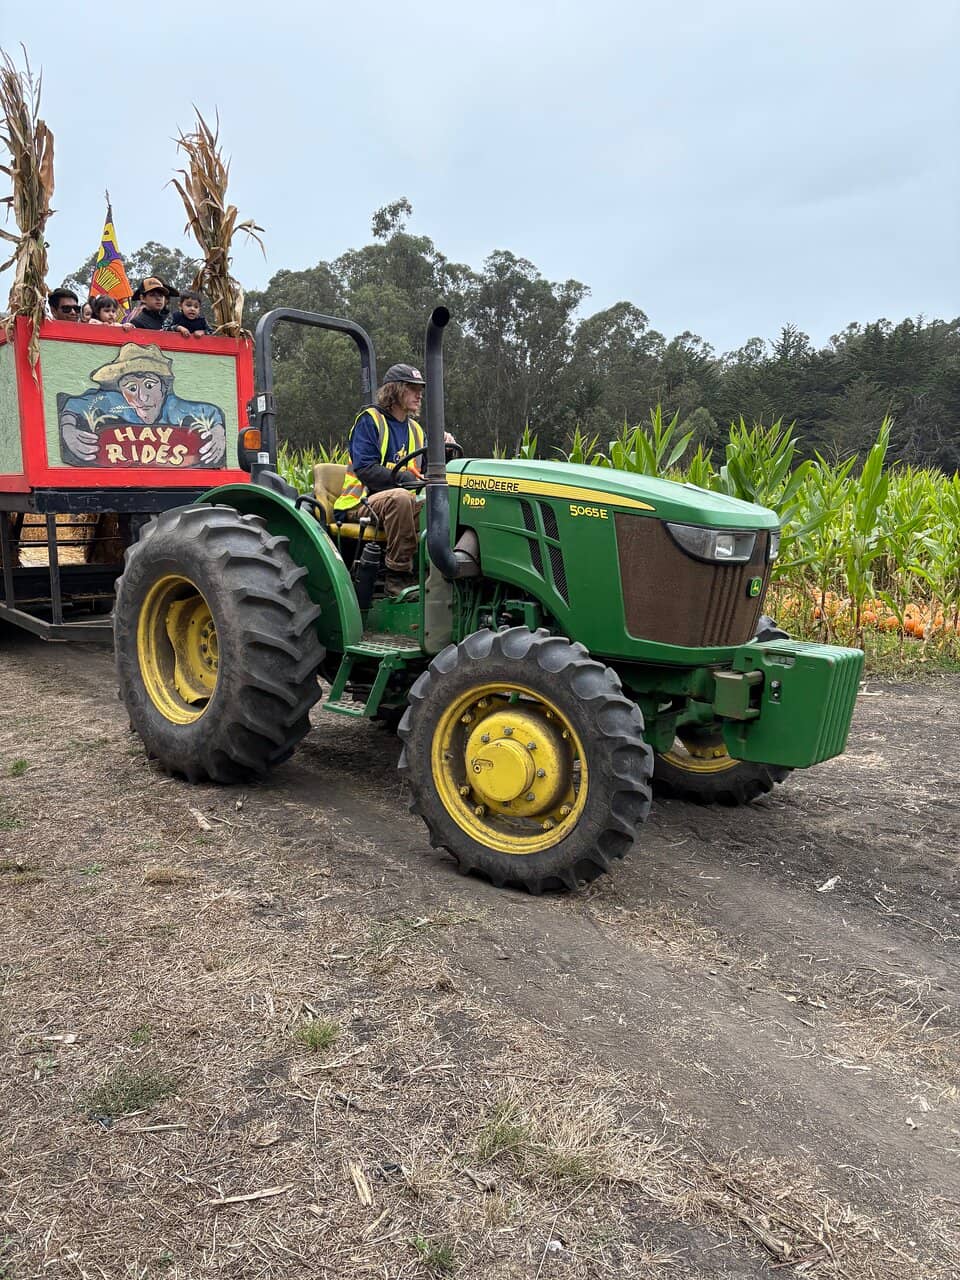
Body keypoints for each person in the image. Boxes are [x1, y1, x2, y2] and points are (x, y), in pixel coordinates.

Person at [334, 363, 429, 597]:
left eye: (421, 389)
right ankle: (397, 577)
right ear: (395, 390)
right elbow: (365, 469)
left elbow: (424, 475)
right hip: (361, 503)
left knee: (447, 504)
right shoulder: (370, 421)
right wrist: (402, 478)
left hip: (401, 503)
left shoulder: (416, 431)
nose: (419, 394)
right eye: (412, 388)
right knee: (400, 498)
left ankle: (435, 574)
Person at [57, 343, 227, 467]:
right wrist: (68, 429)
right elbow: (74, 405)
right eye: (131, 388)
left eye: (150, 385)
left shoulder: (175, 407)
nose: (142, 397)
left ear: (163, 388)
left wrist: (218, 432)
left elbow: (211, 412)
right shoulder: (114, 402)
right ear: (121, 392)